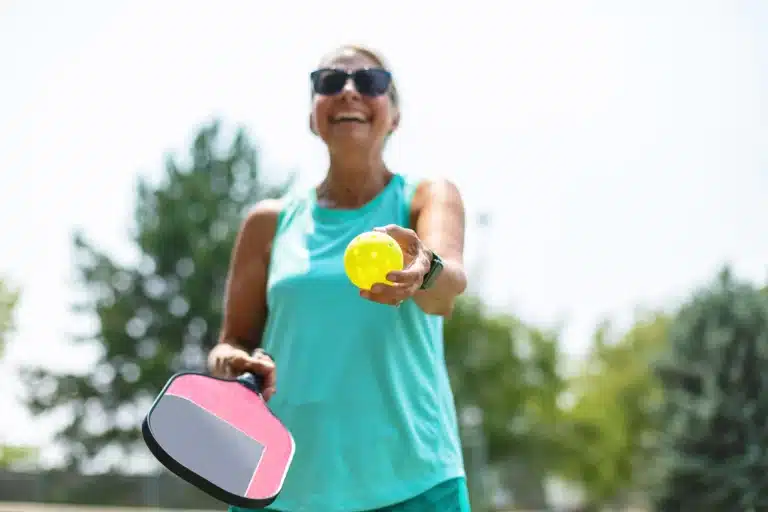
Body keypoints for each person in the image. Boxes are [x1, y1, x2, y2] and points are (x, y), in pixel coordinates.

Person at [207, 44, 470, 512]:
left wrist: (423, 269)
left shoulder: (426, 197)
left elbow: (446, 291)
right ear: (313, 115)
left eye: (370, 81)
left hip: (413, 483)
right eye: (329, 82)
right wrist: (232, 363)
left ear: (395, 116)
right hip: (275, 485)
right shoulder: (268, 222)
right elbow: (232, 343)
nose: (349, 91)